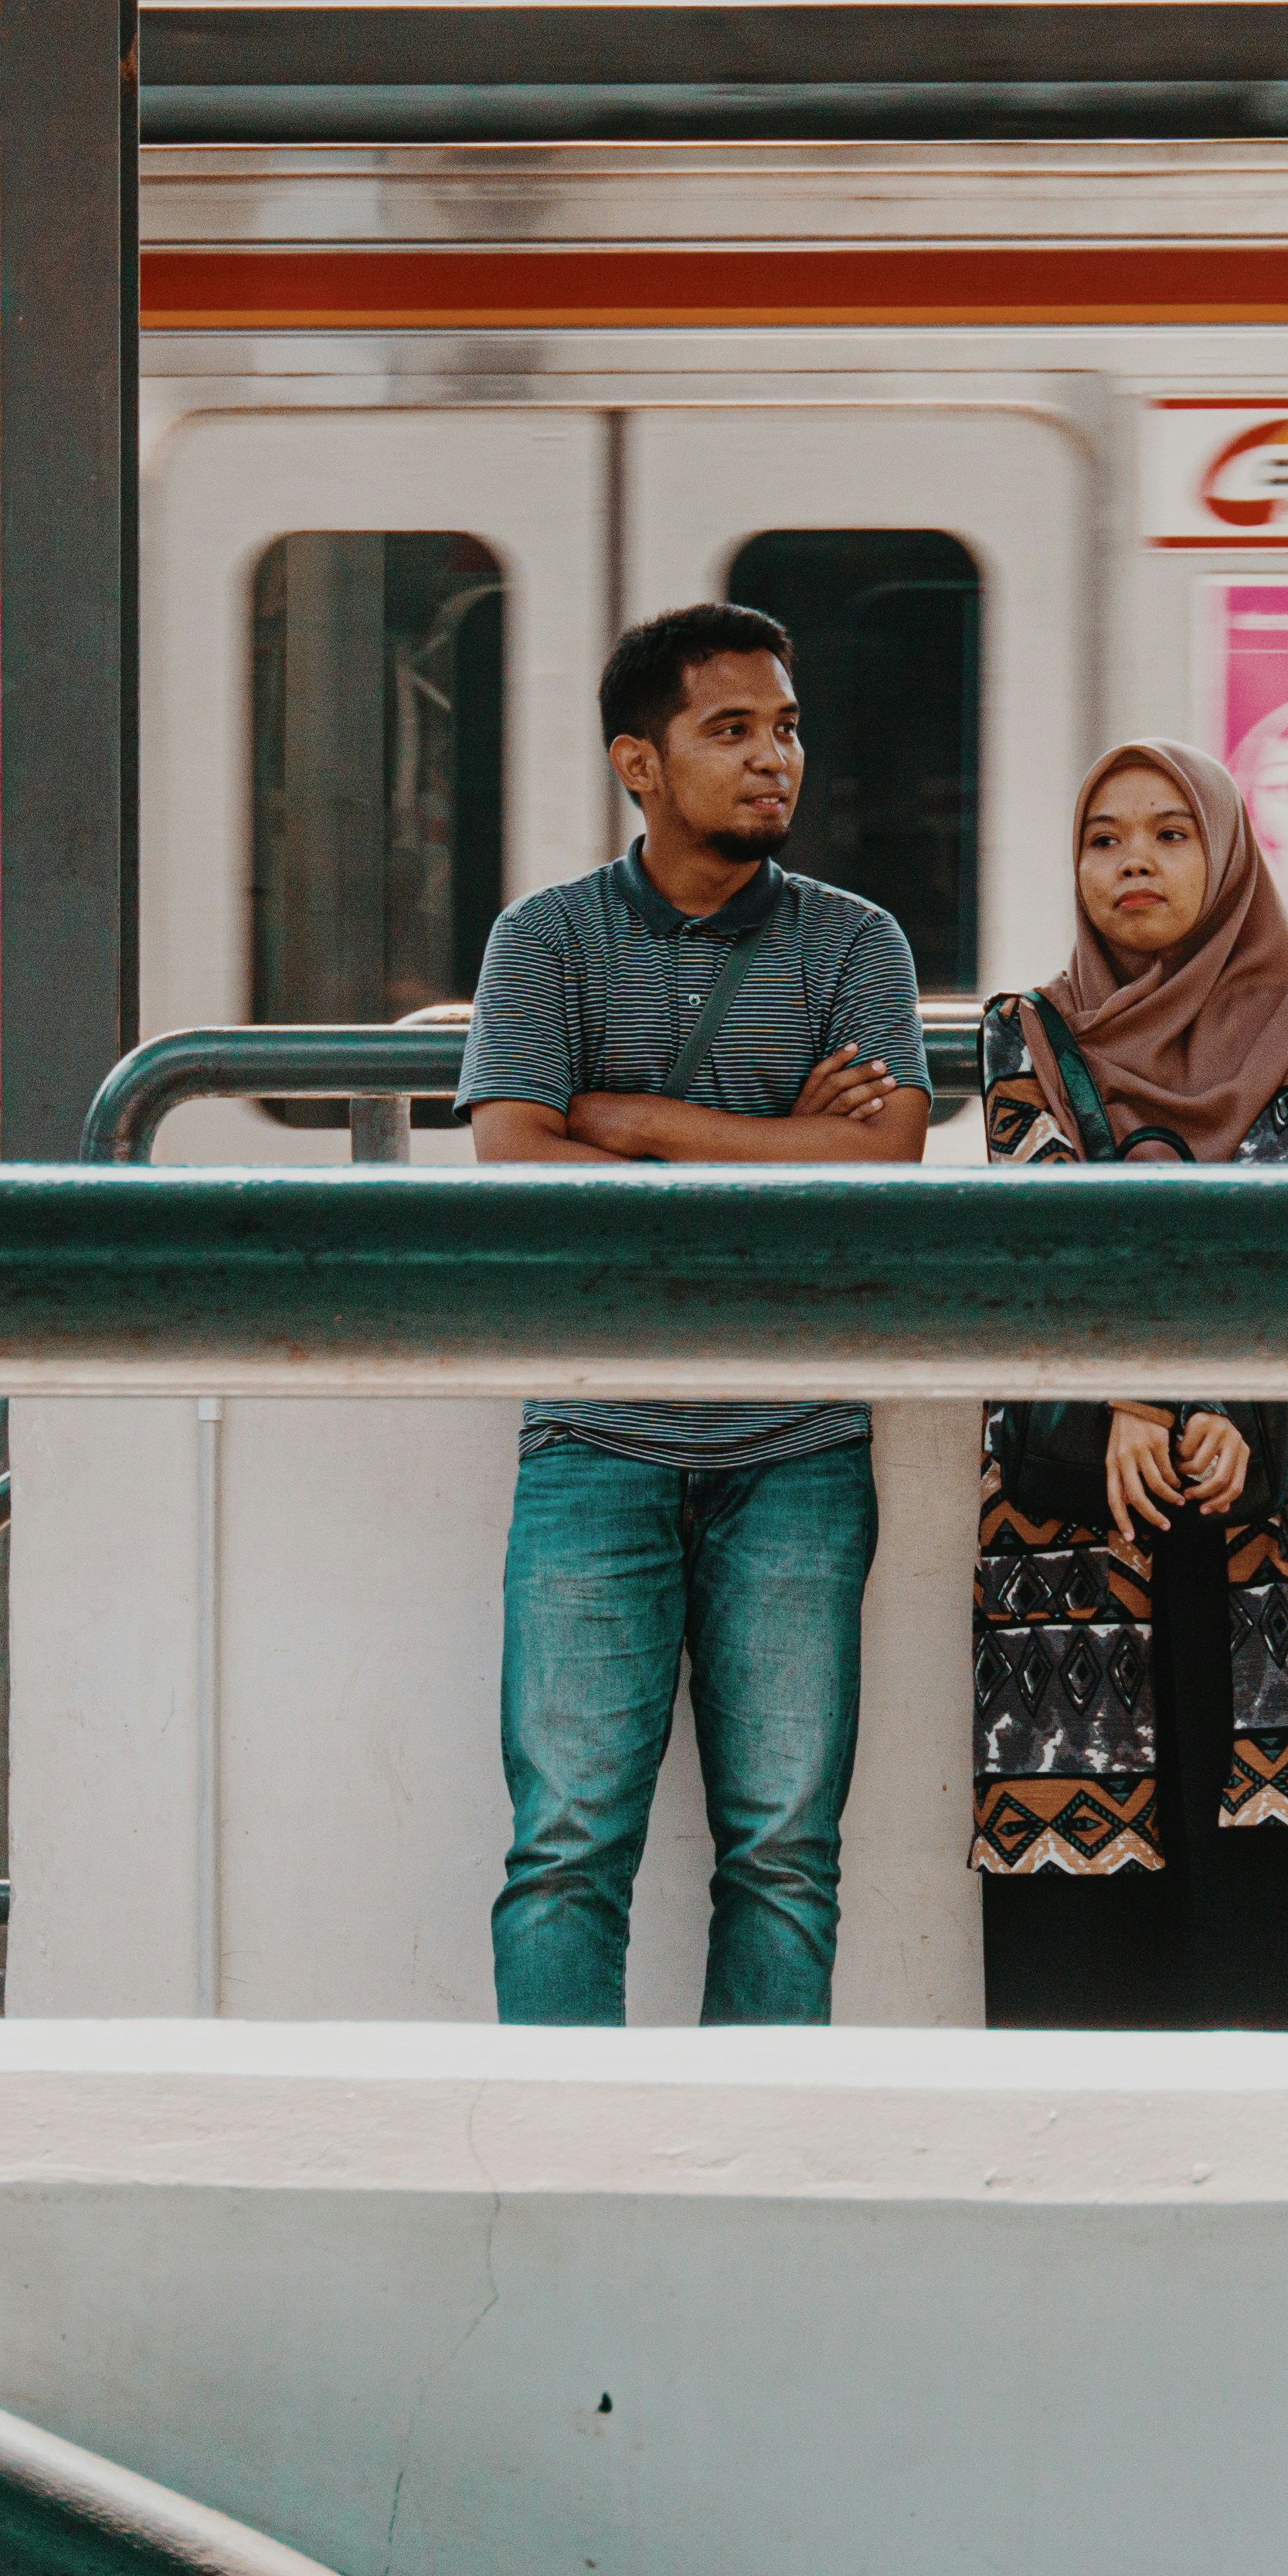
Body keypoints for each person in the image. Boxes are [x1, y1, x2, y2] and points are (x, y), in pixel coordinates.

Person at [456, 601, 930, 2025]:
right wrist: (772, 1135)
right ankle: (558, 2179)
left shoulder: (860, 946)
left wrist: (640, 1118)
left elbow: (884, 1154)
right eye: (730, 731)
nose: (773, 759)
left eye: (785, 729)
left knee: (785, 1855)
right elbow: (516, 1160)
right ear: (638, 765)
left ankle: (757, 2181)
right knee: (563, 1851)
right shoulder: (543, 940)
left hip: (799, 1446)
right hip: (594, 1436)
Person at [971, 739, 1288, 2030]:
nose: (1133, 861)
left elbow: (1275, 1224)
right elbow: (1049, 1228)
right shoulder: (1024, 1030)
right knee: (1078, 1919)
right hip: (1074, 1492)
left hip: (1259, 1477)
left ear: (1224, 857)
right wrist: (1142, 1400)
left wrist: (1192, 1401)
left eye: (1167, 833)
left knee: (1267, 1907)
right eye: (1103, 837)